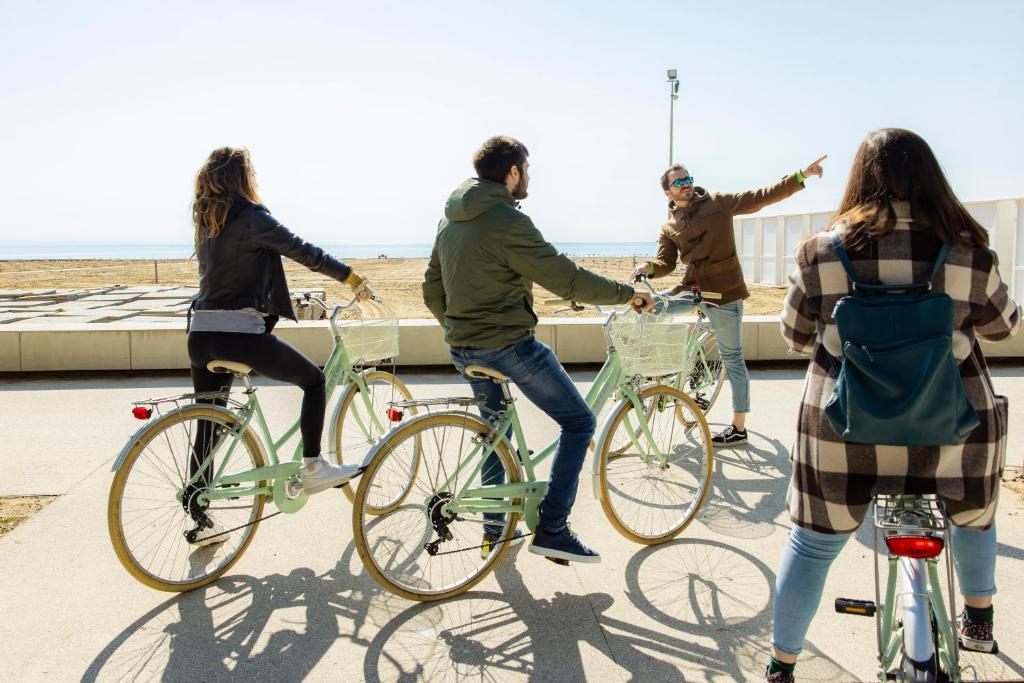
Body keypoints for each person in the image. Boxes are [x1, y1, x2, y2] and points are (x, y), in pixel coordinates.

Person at [764, 128, 1021, 682]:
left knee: (812, 545)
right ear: (931, 178)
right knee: (974, 518)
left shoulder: (820, 251)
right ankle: (978, 619)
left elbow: (794, 335)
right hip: (953, 429)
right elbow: (1004, 327)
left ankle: (782, 664)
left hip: (843, 433)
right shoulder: (969, 251)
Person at [423, 135, 653, 563]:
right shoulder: (508, 221)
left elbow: (431, 289)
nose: (528, 177)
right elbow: (565, 279)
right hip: (508, 347)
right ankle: (553, 529)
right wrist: (627, 294)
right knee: (579, 423)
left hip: (463, 348)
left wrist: (460, 329)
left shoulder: (448, 221)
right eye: (526, 169)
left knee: (496, 433)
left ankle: (495, 529)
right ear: (513, 172)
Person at [187, 147, 372, 544]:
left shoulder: (207, 218)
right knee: (314, 381)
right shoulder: (252, 217)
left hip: (200, 335)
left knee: (209, 422)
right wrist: (351, 278)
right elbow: (304, 251)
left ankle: (199, 514)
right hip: (240, 334)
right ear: (243, 178)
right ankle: (313, 467)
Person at [632, 156, 826, 447]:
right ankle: (660, 377)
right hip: (692, 290)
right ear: (668, 192)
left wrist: (801, 176)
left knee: (732, 358)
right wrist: (649, 268)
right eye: (679, 182)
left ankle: (738, 428)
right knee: (650, 307)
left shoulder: (719, 203)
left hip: (724, 293)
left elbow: (761, 197)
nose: (686, 184)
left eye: (688, 179)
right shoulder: (669, 227)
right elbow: (665, 263)